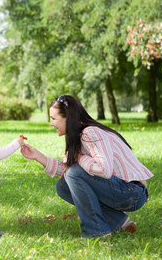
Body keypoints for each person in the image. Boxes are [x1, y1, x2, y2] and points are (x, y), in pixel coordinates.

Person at [20, 95, 153, 238]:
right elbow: (71, 172)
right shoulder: (78, 135)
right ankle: (119, 222)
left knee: (73, 174)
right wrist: (38, 156)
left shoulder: (90, 133)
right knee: (63, 186)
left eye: (53, 119)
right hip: (122, 190)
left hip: (133, 192)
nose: (51, 124)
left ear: (68, 118)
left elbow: (104, 171)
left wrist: (78, 157)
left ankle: (96, 231)